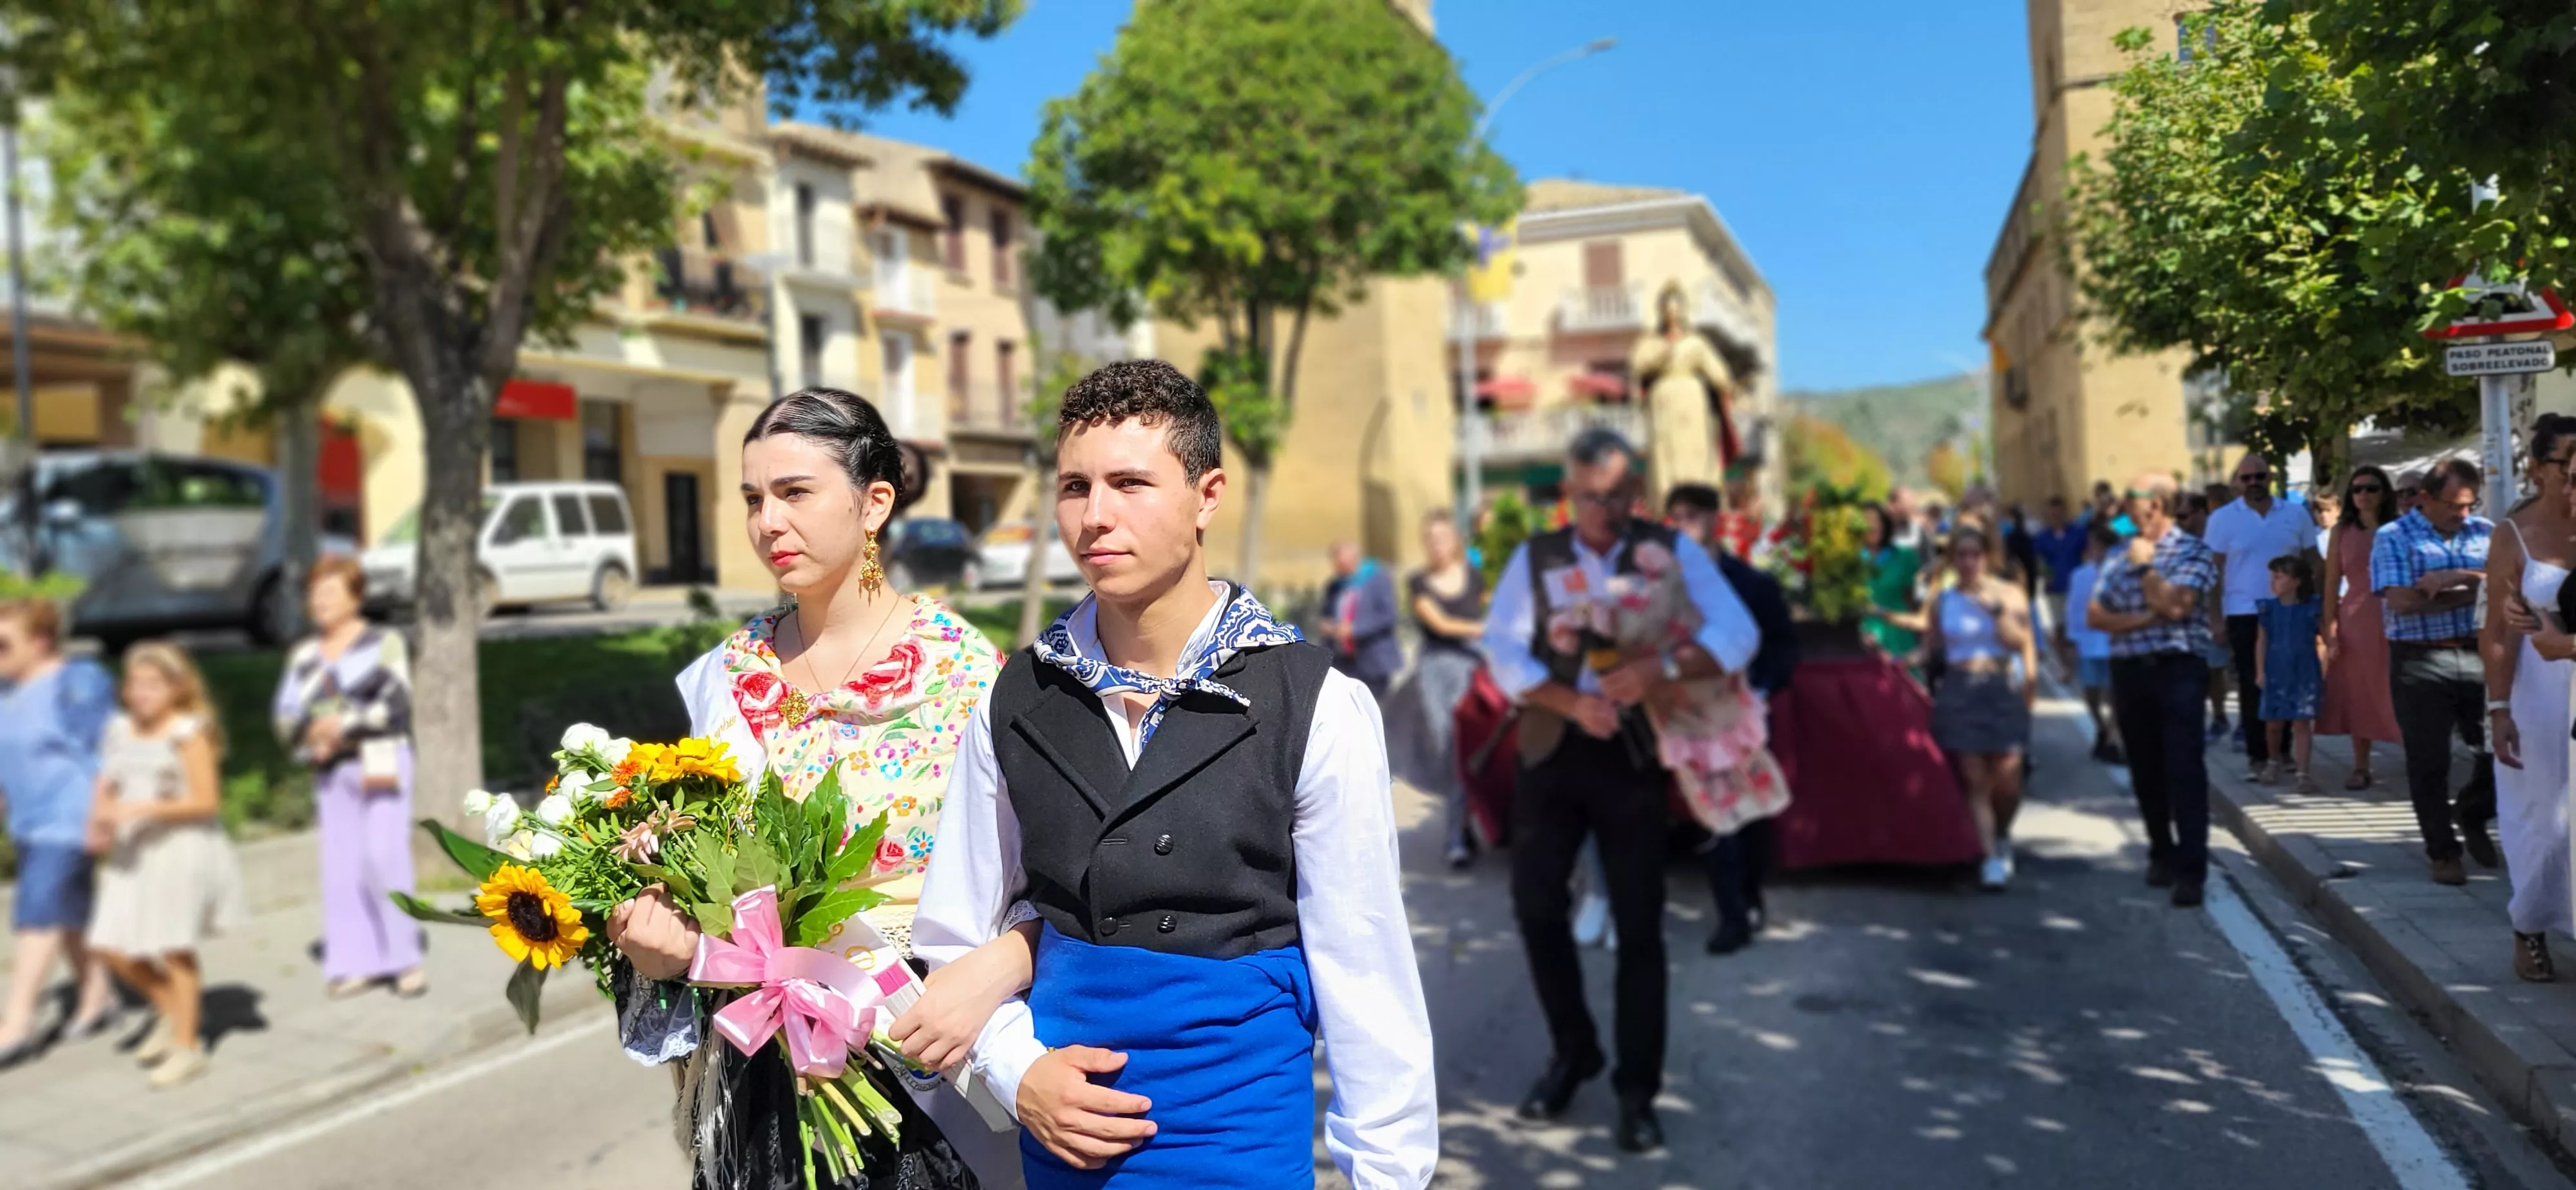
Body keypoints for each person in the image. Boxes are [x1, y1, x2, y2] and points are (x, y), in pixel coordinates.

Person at [909, 361, 1438, 1187]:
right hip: (1062, 1141)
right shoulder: (1015, 698)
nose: (1096, 516)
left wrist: (1387, 1176)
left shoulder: (1314, 703)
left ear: (1208, 495)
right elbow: (955, 935)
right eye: (1074, 487)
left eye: (1130, 482)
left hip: (1237, 1137)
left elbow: (1365, 975)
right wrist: (1019, 1075)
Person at [606, 387, 1030, 1189]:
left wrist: (1005, 964)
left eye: (795, 493)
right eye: (753, 499)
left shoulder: (970, 680)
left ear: (875, 504)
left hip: (917, 1072)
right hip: (759, 1081)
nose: (769, 522)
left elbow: (1041, 881)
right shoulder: (722, 682)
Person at [1481, 428, 1759, 1152]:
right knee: (1536, 905)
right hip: (1553, 746)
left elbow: (1738, 630)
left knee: (1640, 926)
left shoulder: (1667, 550)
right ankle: (1574, 1050)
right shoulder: (1536, 556)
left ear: (1634, 490)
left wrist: (1659, 668)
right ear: (1569, 493)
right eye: (1591, 495)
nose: (1606, 510)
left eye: (1618, 494)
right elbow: (1502, 645)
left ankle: (1638, 1090)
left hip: (1633, 755)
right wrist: (1568, 701)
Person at [84, 641, 249, 1090]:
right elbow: (108, 780)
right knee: (110, 946)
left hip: (179, 849)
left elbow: (206, 800)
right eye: (135, 683)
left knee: (173, 945)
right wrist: (99, 818)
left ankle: (188, 1045)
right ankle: (172, 1009)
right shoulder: (119, 729)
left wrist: (143, 810)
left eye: (153, 684)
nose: (141, 693)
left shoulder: (189, 732)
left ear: (177, 688)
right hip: (131, 851)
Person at [271, 556, 426, 999]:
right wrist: (309, 740)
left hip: (381, 759)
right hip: (331, 767)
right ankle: (356, 962)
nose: (320, 602)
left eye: (331, 593)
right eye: (315, 594)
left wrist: (343, 727)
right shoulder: (304, 656)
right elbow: (286, 716)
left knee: (383, 856)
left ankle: (404, 959)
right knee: (341, 866)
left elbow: (396, 703)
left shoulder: (385, 642)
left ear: (355, 598)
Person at [1667, 482, 1797, 955]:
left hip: (1743, 716)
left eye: (1691, 516)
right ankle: (1731, 918)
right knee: (1714, 818)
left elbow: (1784, 644)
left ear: (1714, 522)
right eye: (1674, 517)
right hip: (1692, 717)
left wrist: (1760, 687)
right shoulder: (1665, 588)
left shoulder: (1753, 584)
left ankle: (1751, 893)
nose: (1681, 526)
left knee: (1753, 816)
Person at [2089, 473, 2220, 908]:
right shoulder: (2116, 554)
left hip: (2178, 669)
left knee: (2184, 768)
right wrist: (2147, 619)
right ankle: (2161, 851)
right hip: (2130, 670)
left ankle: (2192, 870)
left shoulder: (2193, 551)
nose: (2127, 507)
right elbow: (2095, 615)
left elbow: (2178, 606)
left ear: (2158, 505)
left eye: (2134, 499)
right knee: (2145, 769)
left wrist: (2146, 568)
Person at [0, 598, 117, 1066]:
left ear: (41, 641)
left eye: (4, 643)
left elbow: (107, 751)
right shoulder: (6, 691)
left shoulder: (75, 684)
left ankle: (17, 1022)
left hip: (70, 816)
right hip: (30, 820)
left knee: (39, 911)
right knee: (70, 915)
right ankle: (99, 996)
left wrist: (103, 813)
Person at [2372, 458, 2499, 886]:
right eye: (2453, 505)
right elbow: (2403, 601)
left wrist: (2455, 576)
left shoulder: (2486, 532)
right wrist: (2473, 594)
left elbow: (2509, 583)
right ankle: (2443, 851)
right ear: (2425, 498)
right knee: (2429, 761)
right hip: (2419, 660)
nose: (2463, 513)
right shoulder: (2394, 536)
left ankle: (2474, 809)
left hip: (2480, 655)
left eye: (2469, 504)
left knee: (2497, 752)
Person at [2486, 416, 2576, 982]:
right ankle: (2530, 927)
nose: (2572, 474)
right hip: (2540, 696)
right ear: (2539, 468)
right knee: (2547, 819)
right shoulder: (2512, 535)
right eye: (2564, 461)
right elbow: (2496, 630)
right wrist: (2497, 709)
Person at [1918, 521, 2038, 889]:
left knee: (2008, 775)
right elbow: (1929, 648)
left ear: (1987, 557)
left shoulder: (2010, 594)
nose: (1969, 562)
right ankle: (1989, 857)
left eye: (1975, 555)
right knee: (1974, 778)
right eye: (1961, 556)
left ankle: (2002, 833)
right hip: (1959, 686)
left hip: (2000, 685)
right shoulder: (1943, 599)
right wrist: (1890, 657)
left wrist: (1997, 609)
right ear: (1953, 560)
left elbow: (2020, 642)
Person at [2202, 452, 2320, 782]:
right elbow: (2214, 572)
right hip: (2244, 612)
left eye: (2259, 476)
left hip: (2291, 612)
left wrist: (2319, 607)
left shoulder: (2296, 514)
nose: (2254, 483)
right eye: (2246, 478)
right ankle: (2259, 755)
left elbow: (2315, 562)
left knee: (2291, 682)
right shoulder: (2222, 519)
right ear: (2237, 482)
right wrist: (2215, 618)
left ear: (2270, 478)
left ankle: (2283, 754)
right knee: (2256, 684)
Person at [1406, 511, 1486, 869]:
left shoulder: (1477, 577)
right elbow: (1439, 622)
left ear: (1455, 540)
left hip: (1475, 668)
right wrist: (1482, 628)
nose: (1438, 544)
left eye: (1444, 537)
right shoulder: (1418, 583)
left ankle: (1461, 832)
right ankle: (1461, 828)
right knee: (1448, 749)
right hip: (1437, 672)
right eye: (1431, 538)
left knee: (1470, 749)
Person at [2320, 466, 2402, 788]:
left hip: (2397, 615)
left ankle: (2418, 757)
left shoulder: (2398, 528)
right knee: (2358, 691)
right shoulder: (2342, 532)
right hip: (2356, 616)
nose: (2364, 495)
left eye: (2371, 488)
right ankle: (2361, 764)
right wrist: (2329, 626)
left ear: (2384, 492)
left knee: (2398, 688)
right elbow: (2330, 583)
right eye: (2357, 489)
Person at [2255, 555, 2325, 792]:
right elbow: (2262, 641)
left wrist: (2326, 663)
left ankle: (2303, 772)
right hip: (2275, 671)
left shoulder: (2312, 607)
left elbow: (2324, 638)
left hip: (2304, 671)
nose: (2273, 582)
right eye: (2272, 577)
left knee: (2302, 722)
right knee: (2273, 723)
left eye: (2279, 577)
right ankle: (2274, 759)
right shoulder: (2268, 608)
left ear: (2296, 581)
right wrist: (2260, 671)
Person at [2065, 522, 2123, 763]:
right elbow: (2074, 608)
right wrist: (2072, 638)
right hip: (2088, 641)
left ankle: (2112, 737)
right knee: (2091, 695)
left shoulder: (2120, 573)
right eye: (2094, 546)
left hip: (2114, 642)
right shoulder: (2080, 574)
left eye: (2101, 547)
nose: (2096, 551)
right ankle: (2102, 728)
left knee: (2114, 696)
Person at [1321, 540, 1403, 701]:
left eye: (1345, 562)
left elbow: (1388, 616)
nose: (1341, 567)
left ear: (1356, 558)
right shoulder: (1335, 585)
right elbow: (1327, 614)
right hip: (1343, 660)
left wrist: (1355, 629)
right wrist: (1328, 626)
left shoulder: (1378, 578)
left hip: (1373, 659)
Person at [2032, 496, 2090, 665]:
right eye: (2052, 514)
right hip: (2054, 587)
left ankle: (2077, 660)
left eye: (2058, 514)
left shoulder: (2078, 533)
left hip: (2076, 588)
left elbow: (2087, 553)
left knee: (2076, 625)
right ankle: (2065, 664)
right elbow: (2040, 560)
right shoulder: (2042, 537)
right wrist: (2046, 574)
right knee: (2059, 627)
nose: (2055, 517)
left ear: (2065, 513)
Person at [1861, 503, 1922, 660]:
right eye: (1866, 521)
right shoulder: (1848, 560)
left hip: (1897, 632)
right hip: (1860, 635)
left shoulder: (1904, 556)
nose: (1872, 526)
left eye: (1877, 521)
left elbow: (1910, 599)